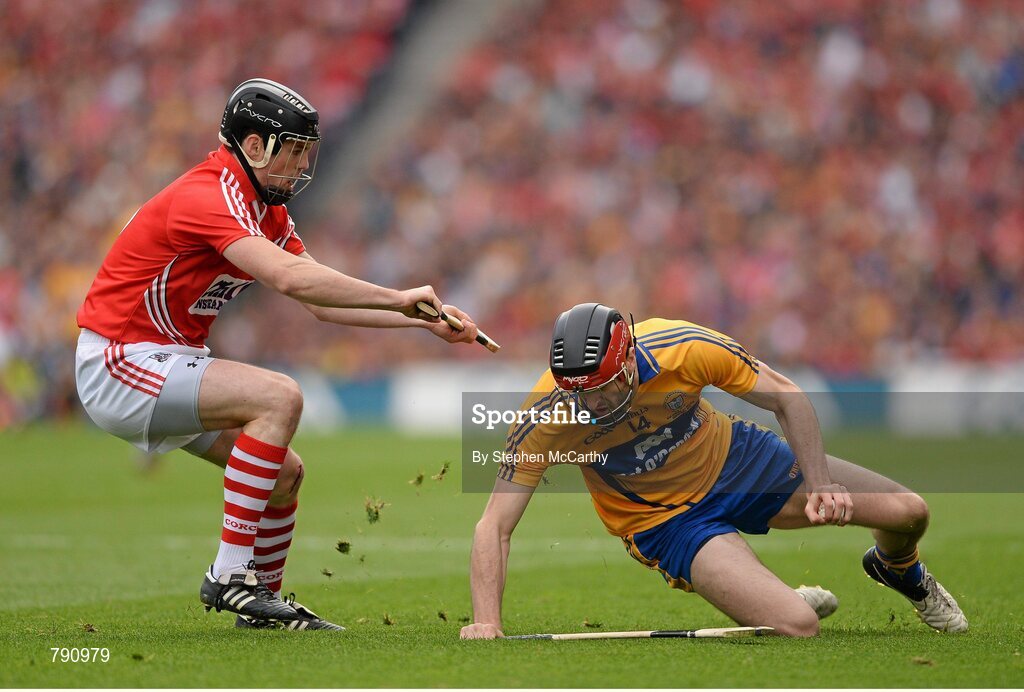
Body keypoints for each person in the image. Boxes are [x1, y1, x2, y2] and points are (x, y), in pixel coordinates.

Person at [75, 78, 480, 631]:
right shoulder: (209, 194)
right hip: (119, 359)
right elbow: (290, 279)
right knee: (279, 397)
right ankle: (230, 575)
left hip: (162, 358)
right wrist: (396, 296)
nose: (300, 165)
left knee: (285, 475)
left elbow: (321, 302)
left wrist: (421, 321)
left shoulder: (267, 210)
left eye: (305, 152)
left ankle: (260, 602)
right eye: (292, 150)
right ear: (254, 145)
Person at [460, 303, 966, 639]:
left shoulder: (684, 348)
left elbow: (786, 396)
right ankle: (772, 596)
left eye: (606, 387)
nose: (592, 403)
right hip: (667, 522)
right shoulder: (547, 415)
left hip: (739, 460)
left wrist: (819, 485)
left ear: (630, 360)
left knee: (909, 513)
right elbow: (495, 525)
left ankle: (898, 569)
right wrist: (486, 622)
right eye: (580, 393)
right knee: (798, 624)